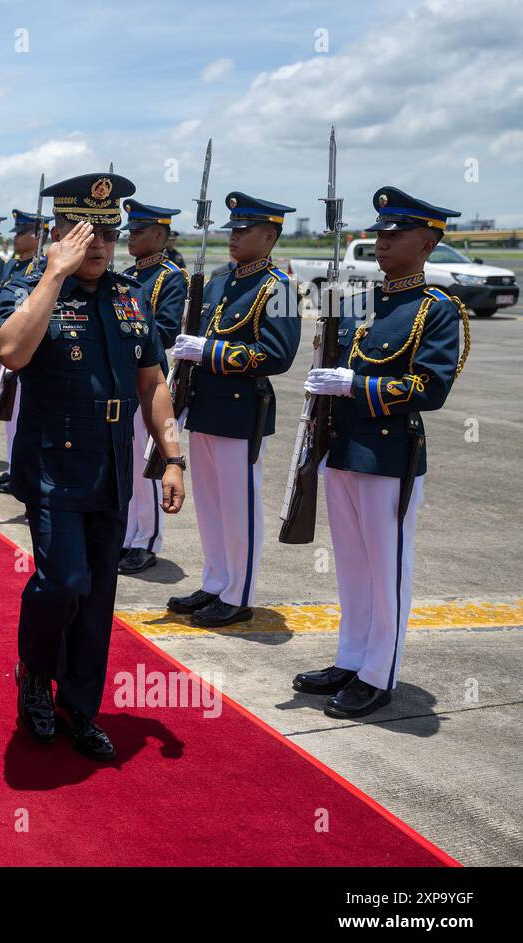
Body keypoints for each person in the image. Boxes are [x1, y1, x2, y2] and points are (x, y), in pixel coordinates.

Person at [0, 172, 187, 760]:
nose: (98, 242)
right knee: (64, 581)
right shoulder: (31, 285)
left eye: (107, 230)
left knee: (99, 593)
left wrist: (172, 457)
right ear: (57, 233)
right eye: (83, 230)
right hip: (54, 463)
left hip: (112, 466)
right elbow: (10, 352)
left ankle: (80, 705)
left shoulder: (131, 295)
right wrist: (53, 272)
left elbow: (152, 382)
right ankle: (34, 676)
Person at [294, 188, 470, 719]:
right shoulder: (358, 303)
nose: (383, 241)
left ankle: (378, 673)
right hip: (343, 449)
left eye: (396, 233)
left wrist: (357, 386)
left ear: (428, 242)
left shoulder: (435, 311)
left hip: (389, 455)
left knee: (386, 566)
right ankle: (351, 658)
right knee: (351, 564)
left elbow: (431, 388)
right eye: (381, 232)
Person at [166, 192, 301, 627]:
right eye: (233, 230)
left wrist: (209, 351)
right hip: (204, 405)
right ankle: (215, 581)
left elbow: (276, 355)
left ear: (270, 236)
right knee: (209, 504)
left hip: (242, 410)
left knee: (238, 505)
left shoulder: (279, 288)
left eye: (244, 231)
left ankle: (238, 593)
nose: (234, 237)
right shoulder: (218, 280)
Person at [118, 199, 189, 574]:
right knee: (126, 463)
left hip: (149, 379)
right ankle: (128, 534)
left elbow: (166, 330)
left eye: (139, 231)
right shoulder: (128, 274)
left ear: (160, 236)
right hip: (123, 378)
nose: (131, 238)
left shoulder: (171, 277)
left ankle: (146, 540)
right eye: (129, 231)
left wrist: (126, 335)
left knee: (147, 464)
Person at [0, 208, 50, 493]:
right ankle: (15, 469)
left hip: (27, 349)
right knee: (9, 413)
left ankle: (19, 471)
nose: (16, 239)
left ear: (38, 236)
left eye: (22, 233)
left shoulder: (38, 268)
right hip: (4, 343)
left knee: (18, 412)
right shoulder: (13, 266)